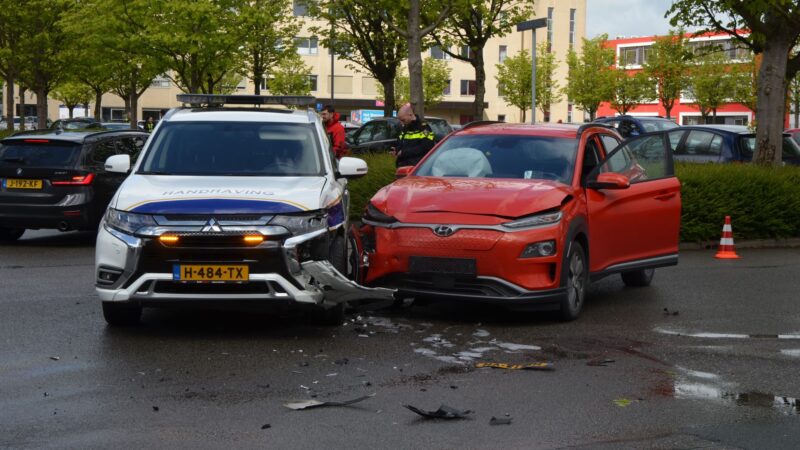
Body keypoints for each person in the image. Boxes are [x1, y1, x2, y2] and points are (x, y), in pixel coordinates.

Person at [393, 103, 435, 168]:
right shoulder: (405, 128)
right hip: (402, 167)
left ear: (410, 114)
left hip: (417, 168)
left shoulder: (424, 128)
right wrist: (397, 150)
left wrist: (403, 152)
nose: (401, 123)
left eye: (403, 120)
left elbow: (428, 146)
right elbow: (399, 142)